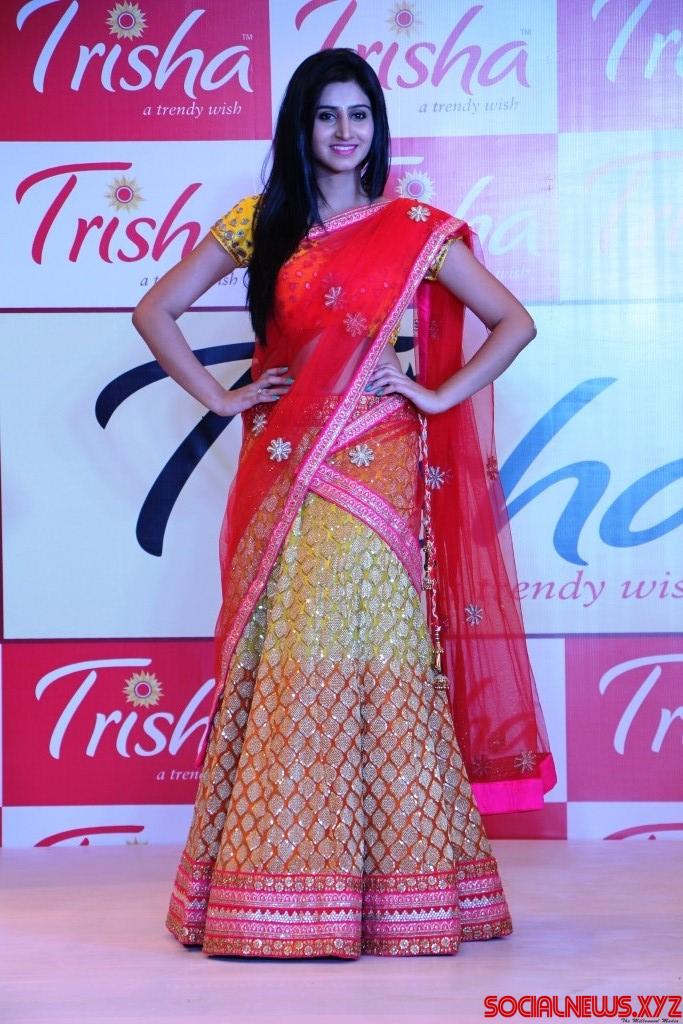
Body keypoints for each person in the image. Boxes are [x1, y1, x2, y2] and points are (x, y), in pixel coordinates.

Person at [132, 48, 556, 960]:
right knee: (292, 647)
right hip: (284, 459)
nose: (343, 131)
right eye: (325, 115)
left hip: (376, 464)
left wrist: (434, 394)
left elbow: (513, 321)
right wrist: (222, 400)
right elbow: (155, 311)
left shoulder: (414, 230)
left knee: (380, 650)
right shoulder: (259, 224)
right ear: (301, 125)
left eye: (357, 114)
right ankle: (275, 889)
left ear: (376, 125)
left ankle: (406, 896)